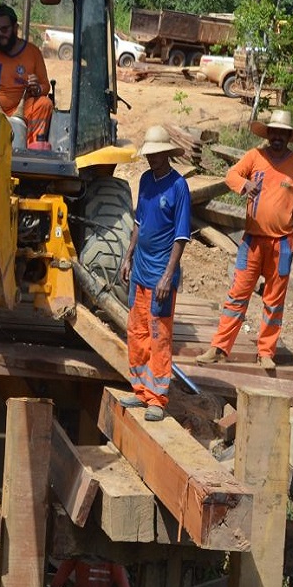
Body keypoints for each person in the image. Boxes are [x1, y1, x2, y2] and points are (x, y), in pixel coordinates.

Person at [196, 109, 293, 370]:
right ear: (268, 134)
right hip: (252, 241)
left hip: (281, 243)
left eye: (283, 134)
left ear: (289, 137)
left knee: (274, 300)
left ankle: (266, 352)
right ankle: (219, 348)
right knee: (237, 295)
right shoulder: (254, 157)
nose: (277, 138)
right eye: (274, 133)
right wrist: (245, 185)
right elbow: (231, 176)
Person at [119, 127, 191, 422]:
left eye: (155, 155)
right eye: (148, 155)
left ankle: (157, 398)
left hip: (161, 276)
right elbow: (138, 222)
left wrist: (167, 275)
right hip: (140, 273)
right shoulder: (146, 180)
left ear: (166, 154)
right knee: (137, 333)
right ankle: (140, 390)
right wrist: (128, 255)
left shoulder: (178, 187)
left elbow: (181, 236)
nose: (151, 159)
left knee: (160, 336)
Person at [0, 4, 53, 145]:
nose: (0, 34)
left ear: (15, 28)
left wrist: (37, 88)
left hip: (23, 110)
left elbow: (45, 86)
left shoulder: (33, 53)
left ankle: (30, 148)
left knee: (44, 103)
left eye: (5, 29)